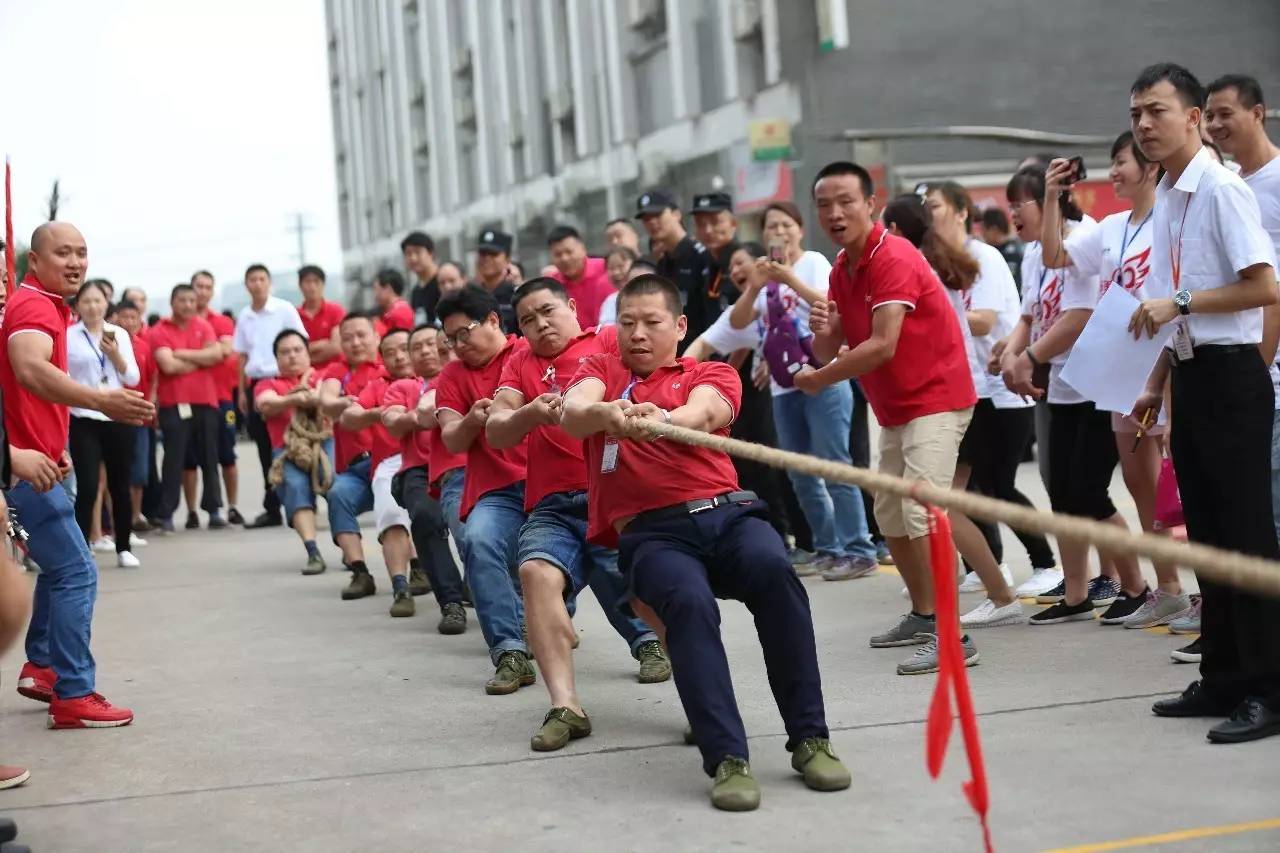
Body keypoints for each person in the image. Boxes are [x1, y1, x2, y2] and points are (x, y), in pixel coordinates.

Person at [561, 272, 850, 811]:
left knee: (775, 572)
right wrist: (608, 415)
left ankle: (811, 739)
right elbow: (576, 412)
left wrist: (664, 420)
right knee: (688, 606)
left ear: (680, 326)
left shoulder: (710, 371)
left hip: (727, 516)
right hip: (652, 534)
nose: (638, 334)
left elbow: (708, 411)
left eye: (652, 323)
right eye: (627, 324)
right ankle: (727, 759)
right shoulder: (600, 369)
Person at [1126, 64, 1280, 743]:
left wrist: (1179, 304)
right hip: (1191, 377)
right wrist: (1156, 383)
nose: (1144, 125)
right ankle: (1222, 677)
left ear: (1193, 117)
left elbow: (1264, 287)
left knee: (1247, 540)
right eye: (1136, 113)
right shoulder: (1169, 194)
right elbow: (1168, 306)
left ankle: (1269, 690)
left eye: (1156, 111)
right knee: (1210, 537)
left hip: (1234, 378)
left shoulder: (1219, 189)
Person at [799, 162, 978, 676]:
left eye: (845, 202)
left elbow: (882, 345)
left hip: (938, 399)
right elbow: (830, 343)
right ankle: (925, 616)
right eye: (825, 204)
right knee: (891, 515)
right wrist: (827, 332)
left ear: (871, 205)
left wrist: (822, 375)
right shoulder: (841, 267)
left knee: (923, 511)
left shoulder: (892, 255)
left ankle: (953, 634)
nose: (834, 213)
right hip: (896, 408)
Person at [485, 277, 670, 751]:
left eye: (547, 311)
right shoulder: (518, 362)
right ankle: (566, 706)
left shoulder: (608, 340)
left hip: (613, 493)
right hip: (552, 503)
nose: (540, 324)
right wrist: (531, 413)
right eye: (527, 319)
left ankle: (693, 688)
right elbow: (498, 430)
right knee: (535, 572)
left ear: (571, 306)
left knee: (648, 588)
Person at [5, 221, 153, 728]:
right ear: (34, 260)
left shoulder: (47, 306)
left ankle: (45, 668)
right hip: (26, 473)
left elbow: (27, 392)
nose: (74, 262)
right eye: (62, 253)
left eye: (81, 253)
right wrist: (100, 401)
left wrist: (54, 443)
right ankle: (73, 692)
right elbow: (29, 368)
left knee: (61, 568)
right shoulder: (30, 306)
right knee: (76, 572)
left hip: (40, 461)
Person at [1039, 136, 1191, 630]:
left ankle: (1202, 594)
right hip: (1122, 371)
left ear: (1150, 168)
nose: (1114, 172)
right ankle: (1167, 589)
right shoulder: (1108, 227)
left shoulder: (1170, 220)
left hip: (1163, 366)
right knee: (1138, 484)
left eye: (1121, 163)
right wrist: (1051, 196)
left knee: (1178, 483)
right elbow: (1054, 254)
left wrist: (1167, 389)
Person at [1003, 163, 1148, 625]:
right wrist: (1011, 353)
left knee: (1089, 491)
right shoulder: (1031, 253)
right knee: (1063, 493)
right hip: (1057, 386)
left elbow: (1080, 315)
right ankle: (1076, 593)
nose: (1012, 215)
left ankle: (1137, 586)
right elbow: (1030, 314)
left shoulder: (1088, 238)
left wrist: (1027, 357)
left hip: (1093, 381)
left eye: (1017, 204)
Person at [922, 182, 1058, 625]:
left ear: (962, 212)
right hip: (967, 391)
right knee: (958, 495)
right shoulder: (935, 262)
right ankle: (991, 573)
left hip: (1000, 391)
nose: (930, 215)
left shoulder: (985, 258)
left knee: (997, 486)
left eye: (936, 207)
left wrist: (930, 319)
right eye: (925, 209)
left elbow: (983, 322)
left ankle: (1044, 565)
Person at [721, 202, 879, 581]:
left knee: (834, 464)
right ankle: (829, 547)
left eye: (785, 225)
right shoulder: (763, 277)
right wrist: (756, 286)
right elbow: (739, 322)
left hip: (824, 377)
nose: (779, 232)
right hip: (783, 386)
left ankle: (859, 549)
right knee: (801, 473)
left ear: (799, 229)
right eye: (771, 227)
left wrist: (790, 278)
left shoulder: (813, 263)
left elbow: (833, 307)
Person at [433, 286, 533, 693]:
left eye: (464, 333)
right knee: (478, 540)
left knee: (594, 558)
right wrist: (474, 419)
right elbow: (453, 440)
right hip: (495, 489)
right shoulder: (453, 376)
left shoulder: (528, 353)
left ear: (494, 320)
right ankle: (510, 652)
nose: (458, 346)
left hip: (553, 484)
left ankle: (645, 640)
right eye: (450, 339)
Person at [380, 324, 469, 634]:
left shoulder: (463, 376)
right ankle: (451, 602)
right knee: (425, 517)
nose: (426, 350)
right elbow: (391, 422)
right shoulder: (403, 387)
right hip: (419, 470)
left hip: (468, 463)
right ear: (409, 355)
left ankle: (476, 582)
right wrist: (417, 415)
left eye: (433, 344)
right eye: (417, 346)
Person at [334, 328, 419, 617]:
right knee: (393, 516)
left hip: (436, 462)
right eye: (391, 351)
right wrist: (380, 412)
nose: (399, 355)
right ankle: (400, 588)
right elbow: (349, 416)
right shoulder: (378, 386)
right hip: (391, 463)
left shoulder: (436, 379)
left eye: (405, 348)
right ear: (382, 359)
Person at [66, 280, 141, 567]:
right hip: (83, 416)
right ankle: (83, 547)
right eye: (86, 301)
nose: (93, 306)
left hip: (117, 415)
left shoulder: (119, 333)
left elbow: (132, 377)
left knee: (120, 483)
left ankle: (123, 546)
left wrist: (115, 355)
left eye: (98, 301)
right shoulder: (69, 336)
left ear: (106, 304)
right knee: (86, 486)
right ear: (77, 307)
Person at [318, 314, 393, 599]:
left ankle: (417, 565)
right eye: (347, 337)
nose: (355, 342)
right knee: (338, 496)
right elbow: (326, 402)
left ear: (376, 337)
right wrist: (349, 404)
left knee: (402, 503)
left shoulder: (389, 367)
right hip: (355, 468)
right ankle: (360, 572)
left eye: (361, 335)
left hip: (390, 462)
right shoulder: (337, 371)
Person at [234, 263, 307, 529]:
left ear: (269, 282)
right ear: (246, 285)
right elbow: (242, 355)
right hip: (257, 385)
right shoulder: (245, 316)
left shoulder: (284, 309)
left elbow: (300, 344)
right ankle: (273, 506)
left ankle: (300, 503)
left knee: (292, 441)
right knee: (265, 448)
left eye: (262, 279)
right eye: (252, 279)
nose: (257, 284)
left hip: (284, 382)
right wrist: (242, 391)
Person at [252, 329, 330, 576]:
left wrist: (313, 397)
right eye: (285, 352)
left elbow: (332, 396)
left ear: (308, 354)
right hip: (287, 451)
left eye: (297, 350)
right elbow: (265, 403)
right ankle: (313, 551)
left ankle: (351, 552)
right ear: (276, 359)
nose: (292, 356)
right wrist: (296, 399)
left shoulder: (325, 378)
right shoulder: (268, 383)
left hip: (324, 445)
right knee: (295, 488)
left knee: (337, 487)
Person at [150, 284, 226, 533]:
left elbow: (216, 355)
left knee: (209, 457)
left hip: (206, 401)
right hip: (174, 403)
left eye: (192, 301)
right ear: (172, 302)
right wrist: (200, 359)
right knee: (174, 460)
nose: (188, 305)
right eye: (182, 300)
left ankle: (214, 510)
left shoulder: (203, 326)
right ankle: (167, 514)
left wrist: (182, 353)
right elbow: (168, 366)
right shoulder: (160, 330)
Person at [188, 271, 241, 527]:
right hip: (189, 400)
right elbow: (213, 354)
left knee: (227, 455)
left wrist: (185, 356)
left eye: (208, 286)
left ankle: (231, 506)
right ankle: (191, 511)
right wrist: (207, 354)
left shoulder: (222, 322)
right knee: (189, 460)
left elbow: (224, 352)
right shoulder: (179, 323)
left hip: (222, 398)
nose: (202, 291)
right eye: (198, 286)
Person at [636, 189, 720, 349]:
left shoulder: (702, 256)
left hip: (705, 354)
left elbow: (713, 314)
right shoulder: (663, 263)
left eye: (658, 215)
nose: (652, 222)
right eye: (646, 219)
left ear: (676, 214)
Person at [113, 299, 158, 533]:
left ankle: (136, 514)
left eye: (134, 317)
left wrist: (150, 402)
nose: (129, 322)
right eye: (125, 317)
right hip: (116, 414)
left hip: (140, 414)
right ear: (116, 318)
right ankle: (117, 520)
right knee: (118, 469)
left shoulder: (144, 346)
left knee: (139, 469)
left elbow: (153, 376)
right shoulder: (110, 344)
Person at [544, 226, 615, 329]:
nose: (565, 258)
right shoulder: (551, 285)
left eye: (569, 252)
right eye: (558, 255)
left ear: (582, 248)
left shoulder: (606, 269)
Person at [691, 191, 741, 307]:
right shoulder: (701, 262)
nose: (708, 230)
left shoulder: (746, 260)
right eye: (700, 224)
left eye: (715, 222)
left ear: (733, 223)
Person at [296, 264, 345, 371]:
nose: (312, 287)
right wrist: (320, 344)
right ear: (300, 286)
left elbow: (336, 348)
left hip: (336, 372)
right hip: (305, 374)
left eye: (316, 281)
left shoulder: (336, 310)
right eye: (308, 282)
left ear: (323, 285)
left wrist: (305, 354)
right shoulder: (294, 315)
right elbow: (293, 351)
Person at [473, 230, 518, 331]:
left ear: (507, 259)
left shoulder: (517, 296)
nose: (487, 258)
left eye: (493, 254)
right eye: (482, 253)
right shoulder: (471, 296)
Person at [980, 207, 1024, 292]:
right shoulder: (987, 252)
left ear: (994, 230)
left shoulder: (1013, 255)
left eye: (984, 229)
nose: (983, 234)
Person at [401, 231, 441, 325]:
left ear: (431, 253)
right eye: (408, 254)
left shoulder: (444, 282)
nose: (413, 258)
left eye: (417, 252)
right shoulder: (416, 291)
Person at [596, 246, 637, 326]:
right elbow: (606, 329)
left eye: (621, 266)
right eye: (611, 268)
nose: (616, 272)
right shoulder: (611, 301)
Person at [372, 268, 414, 337]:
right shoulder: (390, 311)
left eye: (376, 289)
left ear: (388, 288)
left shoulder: (400, 312)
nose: (375, 294)